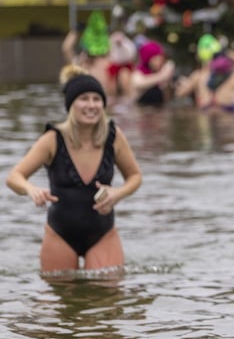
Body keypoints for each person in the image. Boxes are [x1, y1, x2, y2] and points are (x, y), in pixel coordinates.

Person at [6, 73, 142, 276]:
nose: (91, 105)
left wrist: (117, 193)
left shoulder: (113, 137)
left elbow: (135, 176)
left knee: (108, 293)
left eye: (97, 99)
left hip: (102, 233)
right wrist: (31, 189)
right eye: (84, 99)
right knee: (61, 300)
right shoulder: (53, 139)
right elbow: (14, 176)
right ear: (71, 105)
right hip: (60, 233)